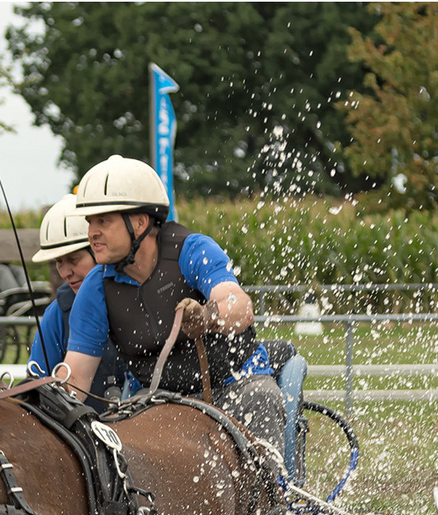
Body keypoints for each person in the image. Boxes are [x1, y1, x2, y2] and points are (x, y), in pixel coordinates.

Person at [56, 155, 289, 457]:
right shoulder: (94, 288)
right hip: (159, 401)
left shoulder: (192, 249)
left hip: (234, 387)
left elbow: (239, 305)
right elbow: (75, 378)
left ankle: (274, 502)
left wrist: (210, 315)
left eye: (104, 221)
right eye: (90, 222)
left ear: (138, 223)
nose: (92, 233)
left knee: (262, 396)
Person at [25, 193, 130, 411]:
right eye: (58, 262)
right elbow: (34, 389)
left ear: (98, 250)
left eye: (73, 260)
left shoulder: (137, 295)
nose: (65, 272)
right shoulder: (57, 314)